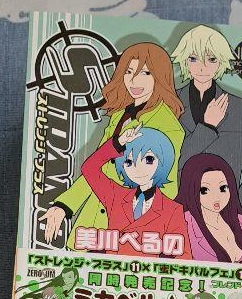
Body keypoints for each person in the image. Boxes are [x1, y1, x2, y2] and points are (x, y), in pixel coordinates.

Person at [42, 42, 183, 247]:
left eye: (145, 73)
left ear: (160, 77)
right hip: (95, 218)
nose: (134, 80)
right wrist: (65, 205)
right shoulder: (119, 116)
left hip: (131, 228)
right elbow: (96, 168)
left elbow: (167, 187)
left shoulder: (167, 125)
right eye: (129, 72)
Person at [170, 24, 242, 212]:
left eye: (211, 59)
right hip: (178, 213)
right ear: (184, 60)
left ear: (221, 61)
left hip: (225, 213)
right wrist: (207, 127)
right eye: (193, 59)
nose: (202, 67)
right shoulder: (168, 106)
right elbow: (168, 162)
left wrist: (235, 209)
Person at [78, 125, 190, 259]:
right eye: (129, 162)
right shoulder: (115, 195)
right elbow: (89, 168)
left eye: (148, 159)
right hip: (113, 269)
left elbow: (183, 256)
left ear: (163, 162)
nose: (138, 168)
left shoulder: (172, 210)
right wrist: (118, 143)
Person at [175, 153, 242, 264]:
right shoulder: (185, 223)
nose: (216, 197)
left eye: (223, 188)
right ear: (191, 189)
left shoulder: (239, 221)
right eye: (204, 190)